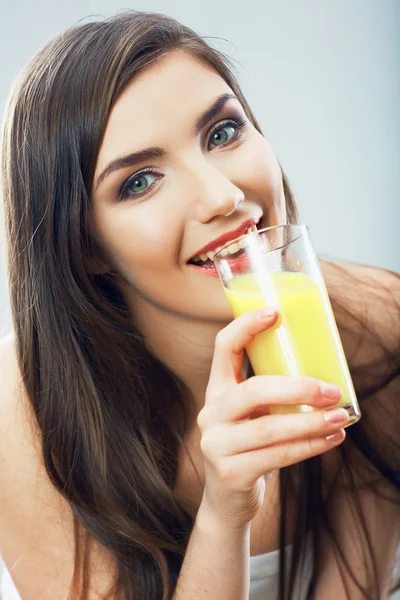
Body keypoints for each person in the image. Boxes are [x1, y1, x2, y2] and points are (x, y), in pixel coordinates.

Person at [0, 11, 399, 600]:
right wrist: (223, 515)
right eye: (139, 181)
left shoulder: (379, 330)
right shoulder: (24, 417)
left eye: (222, 133)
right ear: (85, 247)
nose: (223, 195)